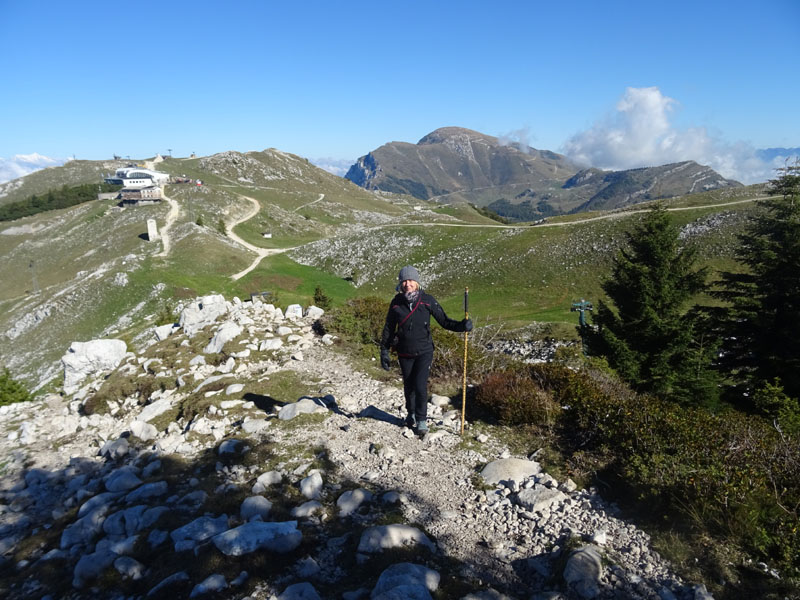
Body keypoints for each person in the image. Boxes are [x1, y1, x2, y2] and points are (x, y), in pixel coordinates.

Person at [380, 266, 473, 434]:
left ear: (417, 282)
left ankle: (422, 420)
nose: (408, 284)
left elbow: (445, 322)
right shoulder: (396, 303)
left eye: (411, 280)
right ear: (400, 283)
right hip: (404, 352)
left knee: (420, 386)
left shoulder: (427, 300)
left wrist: (462, 326)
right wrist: (384, 350)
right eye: (404, 281)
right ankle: (411, 414)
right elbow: (388, 327)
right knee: (409, 386)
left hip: (424, 351)